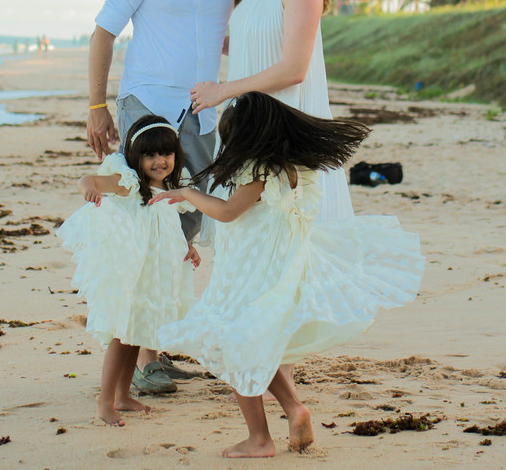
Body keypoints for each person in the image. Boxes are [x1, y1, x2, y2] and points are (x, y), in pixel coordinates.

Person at [151, 92, 424, 458]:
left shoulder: (258, 171)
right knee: (248, 345)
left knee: (232, 346)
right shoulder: (296, 168)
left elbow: (229, 211)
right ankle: (295, 409)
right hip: (279, 268)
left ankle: (260, 439)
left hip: (250, 274)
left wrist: (187, 193)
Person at [87, 0, 250, 393]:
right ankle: (145, 358)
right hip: (148, 105)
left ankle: (153, 344)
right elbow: (104, 33)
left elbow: (246, 21)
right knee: (148, 222)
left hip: (203, 111)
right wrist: (95, 107)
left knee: (186, 224)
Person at [189, 0, 352, 222]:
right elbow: (256, 46)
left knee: (285, 240)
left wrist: (221, 91)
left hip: (285, 124)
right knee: (250, 243)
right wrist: (214, 43)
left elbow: (294, 68)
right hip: (251, 122)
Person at [57, 115, 200, 426]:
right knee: (122, 336)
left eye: (166, 154)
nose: (160, 162)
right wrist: (88, 187)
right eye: (150, 155)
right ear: (136, 158)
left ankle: (123, 395)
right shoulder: (130, 183)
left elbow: (170, 227)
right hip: (133, 274)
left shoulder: (172, 187)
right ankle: (104, 401)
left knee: (136, 333)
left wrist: (186, 247)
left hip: (155, 274)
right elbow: (93, 180)